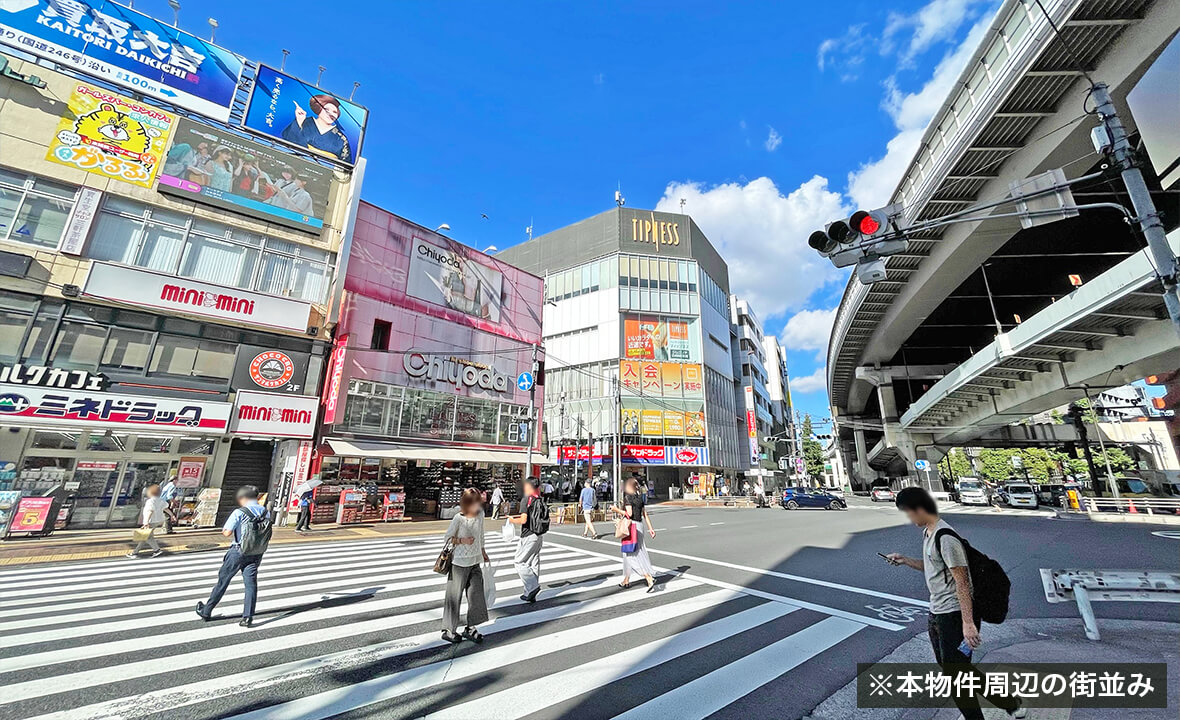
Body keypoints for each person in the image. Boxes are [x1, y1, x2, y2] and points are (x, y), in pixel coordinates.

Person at [885, 487, 1025, 720]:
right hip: (937, 613)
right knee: (955, 670)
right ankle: (1010, 702)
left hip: (955, 615)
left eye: (909, 513)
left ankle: (1001, 707)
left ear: (920, 509)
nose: (909, 519)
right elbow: (935, 568)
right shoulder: (929, 533)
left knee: (957, 678)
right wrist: (905, 561)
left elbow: (963, 583)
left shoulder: (946, 537)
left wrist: (968, 624)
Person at [196, 486, 268, 628]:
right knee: (251, 584)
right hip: (256, 551)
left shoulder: (239, 512)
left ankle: (206, 610)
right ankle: (247, 617)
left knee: (223, 580)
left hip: (238, 550)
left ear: (244, 498)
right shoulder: (266, 511)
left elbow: (227, 532)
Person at [440, 488, 490, 643]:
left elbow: (481, 534)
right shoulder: (458, 518)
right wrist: (462, 541)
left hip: (475, 561)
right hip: (459, 563)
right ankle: (449, 630)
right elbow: (447, 538)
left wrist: (483, 551)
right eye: (475, 503)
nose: (478, 506)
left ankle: (471, 627)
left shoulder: (480, 515)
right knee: (454, 597)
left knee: (476, 596)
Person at [611, 477, 657, 592]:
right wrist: (651, 529)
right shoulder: (640, 498)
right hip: (640, 526)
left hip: (631, 526)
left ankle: (648, 577)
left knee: (631, 554)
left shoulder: (628, 497)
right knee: (637, 551)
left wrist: (616, 509)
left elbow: (629, 514)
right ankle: (626, 580)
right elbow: (645, 514)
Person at [281, 94, 353, 163]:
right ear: (318, 108)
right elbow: (287, 141)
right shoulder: (305, 122)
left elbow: (345, 165)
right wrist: (299, 121)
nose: (330, 114)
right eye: (326, 110)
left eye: (334, 112)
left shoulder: (341, 138)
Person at [508, 478, 546, 603]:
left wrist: (512, 520)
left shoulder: (526, 499)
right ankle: (530, 592)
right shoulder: (538, 498)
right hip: (538, 534)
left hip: (528, 535)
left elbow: (524, 520)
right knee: (533, 562)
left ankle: (532, 587)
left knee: (519, 562)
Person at [127, 483, 166, 558]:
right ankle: (135, 552)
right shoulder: (160, 500)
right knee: (145, 537)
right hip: (158, 520)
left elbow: (150, 511)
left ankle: (157, 550)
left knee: (147, 537)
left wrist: (146, 522)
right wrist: (172, 515)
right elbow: (166, 508)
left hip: (151, 521)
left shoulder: (150, 501)